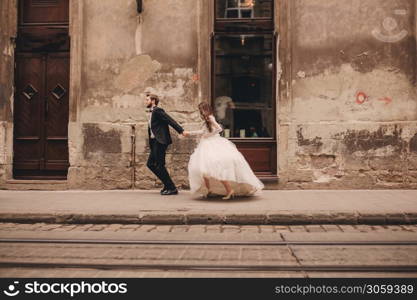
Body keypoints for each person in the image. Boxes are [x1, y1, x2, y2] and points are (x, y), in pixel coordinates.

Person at [182, 102, 264, 199]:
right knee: (203, 170)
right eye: (200, 110)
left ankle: (229, 190)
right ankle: (209, 190)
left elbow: (219, 129)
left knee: (216, 169)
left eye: (203, 109)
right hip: (206, 144)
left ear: (207, 109)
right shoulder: (206, 120)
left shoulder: (211, 117)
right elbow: (203, 131)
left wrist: (208, 135)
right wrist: (189, 133)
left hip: (213, 144)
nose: (201, 112)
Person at [145, 93, 185, 195]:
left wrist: (180, 130)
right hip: (155, 142)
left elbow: (169, 120)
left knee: (159, 165)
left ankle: (171, 188)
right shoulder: (151, 112)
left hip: (160, 141)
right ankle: (168, 185)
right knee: (151, 164)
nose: (145, 102)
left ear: (153, 101)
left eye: (147, 100)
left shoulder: (158, 110)